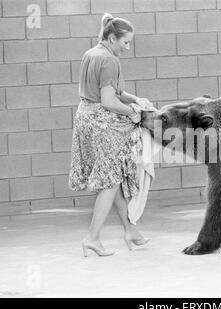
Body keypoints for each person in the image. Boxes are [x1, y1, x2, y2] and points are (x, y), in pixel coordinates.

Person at [69, 13, 153, 257]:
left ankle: (130, 231)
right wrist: (133, 113)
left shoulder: (91, 53)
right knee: (110, 181)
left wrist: (135, 99)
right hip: (103, 124)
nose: (127, 48)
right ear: (113, 37)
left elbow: (108, 91)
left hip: (85, 117)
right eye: (125, 42)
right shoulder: (110, 61)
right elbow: (108, 101)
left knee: (111, 177)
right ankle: (92, 238)